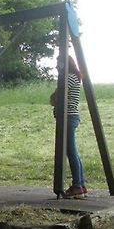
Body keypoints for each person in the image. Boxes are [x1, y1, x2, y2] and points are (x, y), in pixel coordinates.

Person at [50, 55, 86, 199]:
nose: (57, 66)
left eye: (58, 63)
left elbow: (56, 96)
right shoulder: (73, 77)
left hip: (68, 117)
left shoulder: (69, 77)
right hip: (70, 117)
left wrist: (54, 98)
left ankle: (77, 186)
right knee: (73, 152)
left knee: (71, 152)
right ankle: (80, 185)